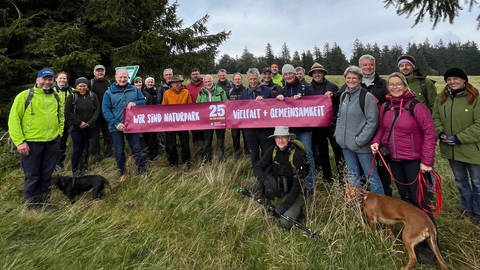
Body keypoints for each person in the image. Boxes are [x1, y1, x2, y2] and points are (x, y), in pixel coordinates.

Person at [371, 72, 436, 208]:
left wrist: (426, 162)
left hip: (414, 160)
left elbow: (430, 134)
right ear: (388, 87)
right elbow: (382, 129)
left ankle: (428, 227)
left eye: (399, 84)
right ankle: (411, 226)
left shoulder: (417, 107)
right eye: (392, 84)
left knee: (419, 198)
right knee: (404, 195)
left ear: (405, 86)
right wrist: (376, 142)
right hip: (394, 159)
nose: (395, 87)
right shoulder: (385, 107)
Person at [8, 67, 63, 209]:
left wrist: (59, 134)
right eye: (44, 78)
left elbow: (60, 116)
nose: (47, 82)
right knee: (33, 175)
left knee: (47, 175)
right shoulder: (25, 96)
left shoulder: (55, 96)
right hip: (31, 143)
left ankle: (44, 203)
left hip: (52, 143)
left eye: (50, 79)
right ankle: (31, 205)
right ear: (37, 79)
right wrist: (20, 142)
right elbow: (14, 120)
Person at [433, 68, 480, 224]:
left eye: (455, 78)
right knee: (461, 181)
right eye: (449, 79)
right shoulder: (441, 99)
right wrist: (440, 133)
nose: (452, 82)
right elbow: (435, 119)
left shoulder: (475, 98)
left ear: (464, 80)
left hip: (473, 151)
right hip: (451, 150)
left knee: (477, 182)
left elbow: (478, 125)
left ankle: (478, 212)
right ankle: (466, 210)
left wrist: (458, 138)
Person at [334, 66, 383, 194]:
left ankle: (380, 206)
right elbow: (339, 116)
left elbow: (373, 122)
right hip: (345, 145)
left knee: (371, 176)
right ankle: (356, 204)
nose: (351, 80)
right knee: (352, 175)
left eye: (354, 78)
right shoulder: (344, 95)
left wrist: (360, 140)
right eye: (348, 78)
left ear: (360, 79)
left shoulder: (367, 97)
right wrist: (338, 135)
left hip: (362, 146)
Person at [250, 126, 307, 229]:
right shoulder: (272, 150)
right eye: (278, 137)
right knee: (253, 182)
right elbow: (257, 168)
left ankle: (298, 211)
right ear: (275, 139)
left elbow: (297, 186)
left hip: (294, 193)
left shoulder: (296, 155)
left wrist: (284, 206)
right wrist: (266, 180)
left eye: (283, 137)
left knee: (285, 223)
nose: (280, 140)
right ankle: (266, 203)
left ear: (289, 138)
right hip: (279, 189)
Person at [276, 64, 316, 194]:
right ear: (283, 76)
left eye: (290, 73)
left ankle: (310, 185)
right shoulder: (282, 90)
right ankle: (295, 182)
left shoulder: (306, 88)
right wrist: (278, 99)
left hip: (304, 129)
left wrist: (302, 99)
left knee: (308, 154)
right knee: (291, 156)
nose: (288, 76)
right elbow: (277, 108)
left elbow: (314, 104)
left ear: (294, 74)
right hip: (289, 130)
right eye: (285, 74)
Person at [102, 69, 146, 182]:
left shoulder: (134, 90)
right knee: (119, 150)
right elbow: (105, 110)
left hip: (132, 125)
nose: (122, 79)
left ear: (128, 78)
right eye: (120, 77)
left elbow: (143, 101)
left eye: (125, 77)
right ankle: (122, 172)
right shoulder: (109, 92)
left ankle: (142, 171)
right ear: (116, 78)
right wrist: (115, 123)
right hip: (116, 127)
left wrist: (136, 103)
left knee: (136, 148)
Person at [358, 54, 391, 196]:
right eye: (364, 65)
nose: (368, 67)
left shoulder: (384, 84)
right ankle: (367, 198)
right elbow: (339, 98)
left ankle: (385, 197)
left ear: (374, 66)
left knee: (382, 167)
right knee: (364, 167)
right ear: (360, 67)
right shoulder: (354, 83)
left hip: (380, 132)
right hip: (361, 132)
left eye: (370, 64)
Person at [308, 62, 343, 182]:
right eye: (315, 72)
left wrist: (333, 95)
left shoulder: (332, 86)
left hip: (333, 124)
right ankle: (327, 177)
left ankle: (343, 176)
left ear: (323, 73)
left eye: (319, 72)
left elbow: (340, 100)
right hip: (318, 127)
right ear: (312, 74)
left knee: (338, 150)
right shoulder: (308, 89)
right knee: (322, 152)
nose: (317, 74)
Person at [65, 77, 100, 177]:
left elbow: (97, 110)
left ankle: (84, 168)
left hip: (89, 127)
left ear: (87, 86)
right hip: (76, 128)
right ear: (76, 86)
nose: (82, 87)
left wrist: (90, 122)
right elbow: (68, 113)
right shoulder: (71, 97)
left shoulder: (93, 96)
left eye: (84, 85)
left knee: (86, 148)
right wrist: (79, 123)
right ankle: (75, 170)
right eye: (80, 85)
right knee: (77, 149)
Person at [240, 68, 274, 166]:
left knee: (267, 152)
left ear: (259, 78)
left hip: (265, 128)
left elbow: (274, 108)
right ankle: (257, 175)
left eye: (255, 79)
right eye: (250, 79)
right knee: (254, 153)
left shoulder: (267, 91)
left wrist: (264, 102)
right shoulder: (244, 93)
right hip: (250, 129)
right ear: (247, 79)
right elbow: (240, 110)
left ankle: (267, 174)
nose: (253, 81)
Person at [162, 75, 192, 168]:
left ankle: (186, 162)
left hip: (183, 121)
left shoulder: (186, 92)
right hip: (170, 122)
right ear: (171, 84)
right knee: (171, 144)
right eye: (174, 83)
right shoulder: (167, 93)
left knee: (185, 143)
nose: (177, 84)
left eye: (178, 82)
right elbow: (163, 107)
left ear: (181, 83)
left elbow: (190, 106)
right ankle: (173, 163)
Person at [196, 75, 228, 163]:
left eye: (209, 81)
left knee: (220, 141)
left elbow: (227, 105)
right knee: (207, 142)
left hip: (219, 120)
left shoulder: (220, 91)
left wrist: (227, 120)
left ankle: (221, 160)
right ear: (203, 83)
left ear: (212, 81)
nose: (208, 83)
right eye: (206, 82)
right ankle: (207, 161)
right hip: (206, 121)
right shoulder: (201, 92)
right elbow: (197, 106)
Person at [89, 64, 112, 162]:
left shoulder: (109, 83)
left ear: (104, 72)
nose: (100, 72)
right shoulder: (90, 83)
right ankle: (96, 155)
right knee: (95, 136)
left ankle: (108, 153)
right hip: (94, 114)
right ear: (94, 72)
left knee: (108, 134)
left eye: (102, 71)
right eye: (98, 71)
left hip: (106, 113)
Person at [53, 71, 74, 172]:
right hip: (53, 122)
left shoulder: (71, 90)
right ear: (56, 79)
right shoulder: (50, 90)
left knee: (62, 142)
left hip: (66, 122)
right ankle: (50, 162)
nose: (62, 80)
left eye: (64, 78)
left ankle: (59, 163)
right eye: (60, 78)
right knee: (52, 142)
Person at [228, 73, 249, 157]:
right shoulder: (230, 91)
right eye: (236, 79)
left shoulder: (246, 90)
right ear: (233, 80)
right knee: (235, 137)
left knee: (246, 138)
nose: (237, 80)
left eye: (239, 79)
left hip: (245, 119)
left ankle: (247, 154)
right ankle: (237, 155)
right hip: (234, 120)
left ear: (242, 80)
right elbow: (228, 106)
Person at [141, 77, 161, 160]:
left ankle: (155, 153)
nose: (150, 83)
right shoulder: (142, 92)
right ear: (145, 83)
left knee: (154, 135)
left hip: (155, 117)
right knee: (147, 136)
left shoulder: (157, 92)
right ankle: (148, 153)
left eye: (151, 82)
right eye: (148, 82)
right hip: (146, 118)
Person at [186, 68, 204, 145]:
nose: (195, 76)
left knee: (204, 133)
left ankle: (205, 153)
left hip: (204, 113)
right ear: (191, 76)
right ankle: (196, 151)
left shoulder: (205, 84)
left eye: (196, 74)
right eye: (193, 74)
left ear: (199, 74)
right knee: (195, 133)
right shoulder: (188, 87)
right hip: (193, 114)